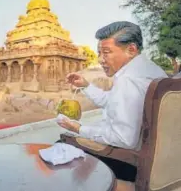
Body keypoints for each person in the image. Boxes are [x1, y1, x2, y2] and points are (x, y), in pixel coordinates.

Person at [56, 21, 168, 182]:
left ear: (131, 50)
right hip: (160, 160)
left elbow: (123, 139)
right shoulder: (152, 70)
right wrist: (86, 85)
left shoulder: (128, 80)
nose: (101, 60)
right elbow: (113, 102)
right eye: (99, 53)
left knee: (62, 145)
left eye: (106, 52)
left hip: (132, 164)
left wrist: (78, 128)